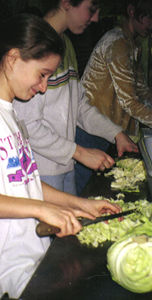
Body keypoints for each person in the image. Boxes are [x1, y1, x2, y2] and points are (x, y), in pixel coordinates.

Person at [0, 14, 120, 300]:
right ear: (13, 58)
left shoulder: (11, 114)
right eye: (42, 74)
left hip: (27, 265)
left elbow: (27, 184)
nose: (43, 87)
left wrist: (83, 205)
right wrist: (40, 210)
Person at [13, 0, 138, 197]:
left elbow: (79, 105)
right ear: (66, 3)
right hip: (41, 170)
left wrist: (116, 133)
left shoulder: (65, 44)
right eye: (92, 8)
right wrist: (80, 153)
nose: (96, 18)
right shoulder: (33, 46)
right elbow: (28, 125)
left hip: (64, 163)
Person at [76, 0, 152, 195]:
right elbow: (130, 102)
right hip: (91, 129)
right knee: (88, 192)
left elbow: (142, 92)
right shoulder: (117, 42)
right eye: (148, 17)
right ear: (132, 11)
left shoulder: (133, 44)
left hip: (111, 130)